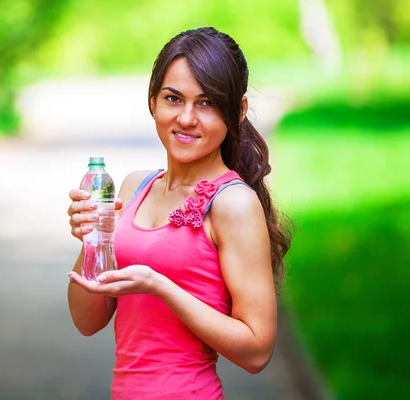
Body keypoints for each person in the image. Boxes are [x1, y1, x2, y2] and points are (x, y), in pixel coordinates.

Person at [66, 26, 292, 400]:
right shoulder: (134, 188)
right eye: (174, 98)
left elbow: (257, 351)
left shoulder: (233, 204)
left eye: (207, 103)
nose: (187, 118)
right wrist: (92, 238)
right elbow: (87, 321)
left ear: (238, 111)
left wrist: (160, 286)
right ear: (152, 101)